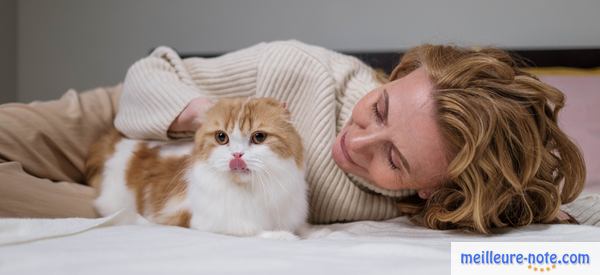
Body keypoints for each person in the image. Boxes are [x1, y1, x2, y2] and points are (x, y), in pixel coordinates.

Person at [0, 40, 594, 233]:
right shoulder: (300, 69)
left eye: (393, 158)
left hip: (156, 184)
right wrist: (211, 119)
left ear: (435, 196)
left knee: (103, 214)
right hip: (140, 111)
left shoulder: (419, 213)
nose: (356, 142)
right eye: (379, 106)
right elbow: (148, 75)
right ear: (397, 75)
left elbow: (548, 246)